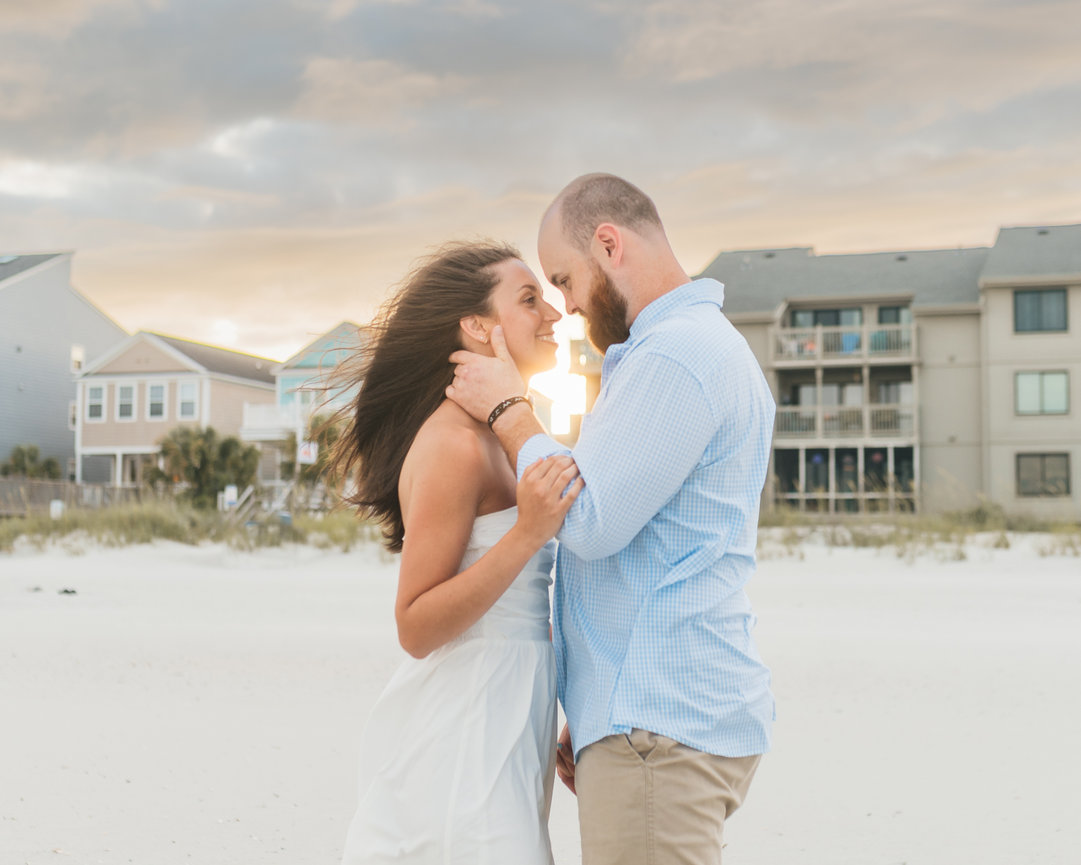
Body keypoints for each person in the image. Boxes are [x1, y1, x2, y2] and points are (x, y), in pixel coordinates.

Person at [446, 174, 776, 865]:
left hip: (658, 728)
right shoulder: (688, 347)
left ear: (608, 243)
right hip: (650, 714)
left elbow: (588, 517)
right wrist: (594, 703)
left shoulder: (676, 354)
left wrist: (509, 408)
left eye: (564, 280)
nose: (564, 306)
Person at [328, 240, 583, 865]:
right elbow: (415, 625)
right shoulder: (451, 444)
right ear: (476, 325)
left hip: (514, 705)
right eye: (529, 300)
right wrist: (526, 533)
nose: (554, 315)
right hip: (464, 715)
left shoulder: (503, 432)